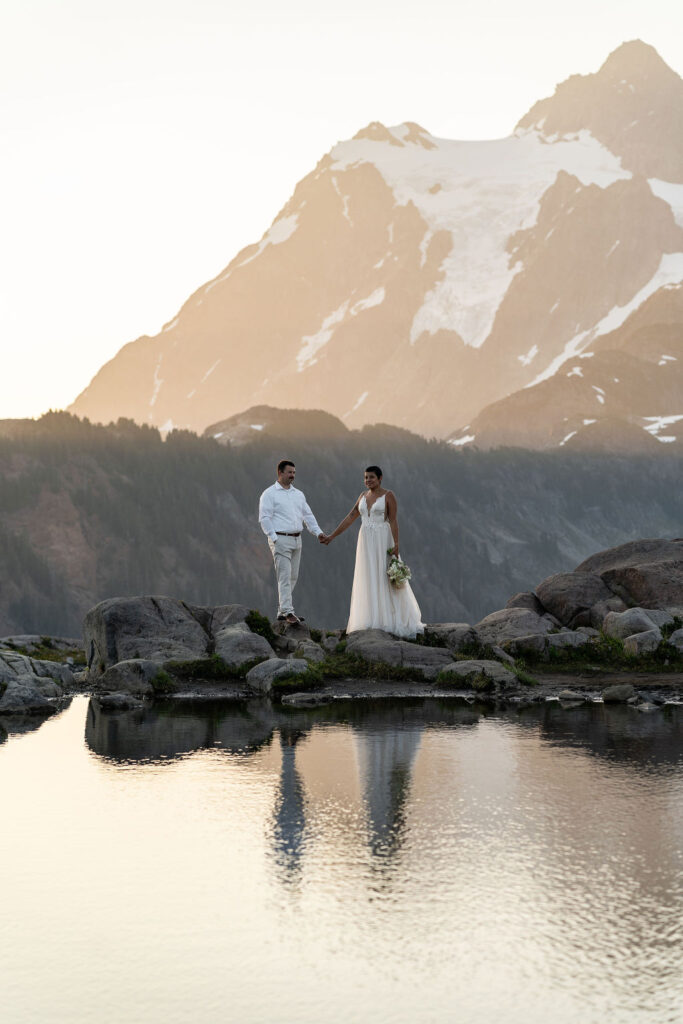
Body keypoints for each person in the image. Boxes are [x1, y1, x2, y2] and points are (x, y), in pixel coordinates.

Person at [322, 465, 423, 637]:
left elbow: (393, 521)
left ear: (380, 478)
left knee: (385, 577)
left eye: (371, 477)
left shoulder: (388, 495)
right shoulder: (362, 496)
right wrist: (332, 536)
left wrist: (397, 544)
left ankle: (389, 619)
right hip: (366, 541)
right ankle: (372, 618)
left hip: (383, 540)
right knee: (368, 576)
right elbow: (351, 517)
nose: (368, 480)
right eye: (366, 477)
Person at [259, 459, 327, 625]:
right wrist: (274, 538)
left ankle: (282, 612)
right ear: (280, 473)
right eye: (289, 472)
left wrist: (318, 532)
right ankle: (289, 612)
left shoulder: (298, 494)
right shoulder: (269, 494)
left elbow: (308, 516)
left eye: (294, 473)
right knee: (284, 576)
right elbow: (264, 518)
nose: (292, 476)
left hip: (297, 539)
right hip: (280, 538)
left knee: (292, 577)